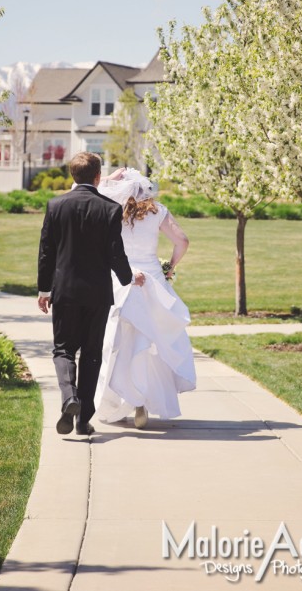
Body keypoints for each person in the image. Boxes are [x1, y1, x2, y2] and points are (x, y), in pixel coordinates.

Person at [37, 152, 145, 436]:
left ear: (73, 175)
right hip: (98, 293)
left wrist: (44, 289)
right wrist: (128, 278)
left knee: (63, 350)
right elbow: (115, 253)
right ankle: (84, 419)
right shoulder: (110, 209)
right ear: (98, 177)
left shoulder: (55, 205)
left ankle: (69, 398)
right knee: (92, 355)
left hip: (65, 292)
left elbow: (46, 252)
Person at [91, 167, 196, 429]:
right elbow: (182, 240)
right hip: (151, 280)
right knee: (152, 341)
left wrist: (106, 179)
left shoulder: (111, 210)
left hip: (121, 279)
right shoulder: (157, 211)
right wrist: (170, 266)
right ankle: (142, 402)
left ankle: (124, 399)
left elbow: (80, 188)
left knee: (118, 342)